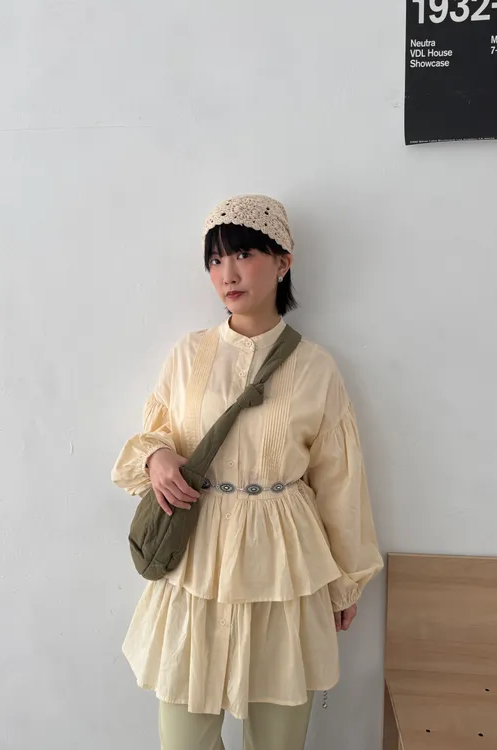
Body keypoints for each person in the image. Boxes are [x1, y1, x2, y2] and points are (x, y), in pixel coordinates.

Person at [111, 194, 384, 750]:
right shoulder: (188, 355)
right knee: (184, 740)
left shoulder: (316, 368)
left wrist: (345, 580)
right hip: (198, 557)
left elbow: (340, 482)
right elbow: (157, 431)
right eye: (215, 260)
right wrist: (157, 457)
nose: (227, 274)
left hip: (285, 561)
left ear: (283, 261)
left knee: (277, 740)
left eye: (243, 254)